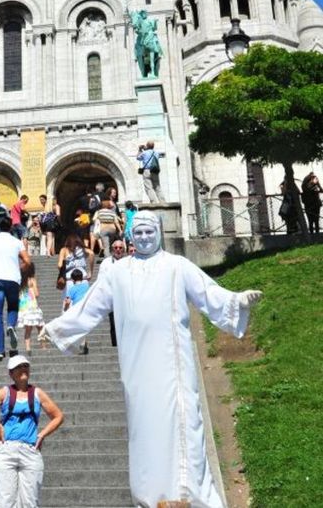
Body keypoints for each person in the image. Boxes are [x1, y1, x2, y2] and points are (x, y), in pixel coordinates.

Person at [42, 210, 263, 508]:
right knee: (145, 430)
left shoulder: (177, 266)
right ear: (131, 236)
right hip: (137, 368)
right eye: (139, 233)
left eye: (150, 232)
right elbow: (90, 307)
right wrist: (57, 328)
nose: (144, 237)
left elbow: (207, 293)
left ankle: (191, 495)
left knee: (185, 423)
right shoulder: (117, 273)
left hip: (174, 364)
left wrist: (235, 301)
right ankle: (150, 497)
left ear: (159, 233)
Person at [0, 354, 64, 508]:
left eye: (26, 366)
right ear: (11, 373)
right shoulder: (5, 392)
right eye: (18, 367)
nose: (23, 369)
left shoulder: (37, 393)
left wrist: (41, 434)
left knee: (30, 503)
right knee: (4, 502)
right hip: (6, 450)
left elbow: (58, 416)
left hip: (30, 451)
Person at [0, 216, 31, 360]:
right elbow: (27, 260)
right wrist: (19, 269)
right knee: (13, 308)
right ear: (11, 227)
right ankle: (11, 325)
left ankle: (0, 350)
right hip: (13, 279)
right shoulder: (17, 242)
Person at [98, 238, 126, 346]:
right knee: (114, 323)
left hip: (127, 298)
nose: (118, 250)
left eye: (120, 248)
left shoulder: (129, 261)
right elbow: (101, 279)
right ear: (112, 249)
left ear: (124, 250)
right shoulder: (106, 263)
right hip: (113, 297)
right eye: (116, 248)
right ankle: (115, 346)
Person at [17, 262, 44, 355]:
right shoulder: (32, 280)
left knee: (28, 330)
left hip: (24, 308)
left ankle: (28, 348)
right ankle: (43, 347)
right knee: (40, 327)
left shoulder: (19, 281)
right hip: (33, 307)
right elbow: (37, 294)